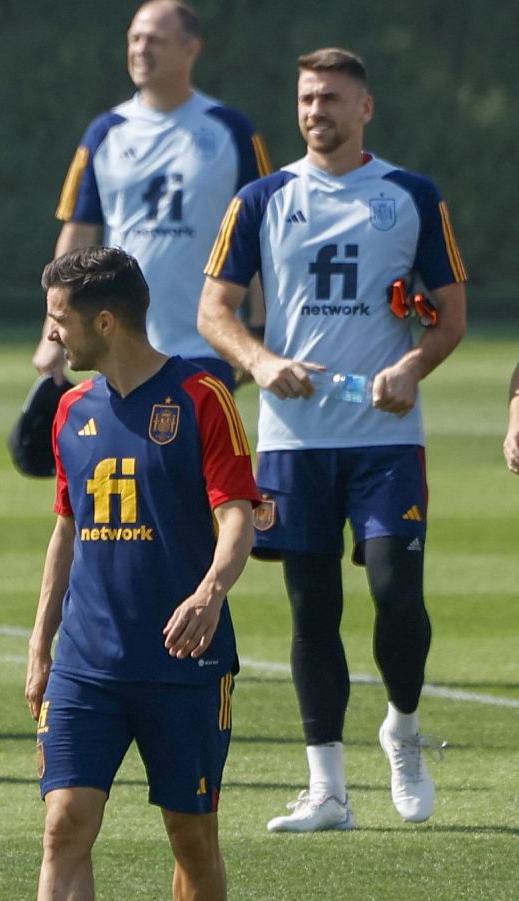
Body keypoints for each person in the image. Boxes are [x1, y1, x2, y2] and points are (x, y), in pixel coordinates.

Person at [198, 47, 468, 831]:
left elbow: (450, 316)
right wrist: (262, 359)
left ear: (366, 109)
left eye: (332, 100)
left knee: (394, 591)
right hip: (293, 439)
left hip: (387, 437)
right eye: (307, 99)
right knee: (311, 608)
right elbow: (214, 310)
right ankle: (328, 791)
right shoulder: (262, 198)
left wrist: (413, 366)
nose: (317, 112)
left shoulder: (411, 195)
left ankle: (403, 729)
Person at [29, 245, 256, 901]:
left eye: (58, 317)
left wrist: (211, 592)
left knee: (191, 836)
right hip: (86, 665)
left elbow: (237, 516)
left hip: (183, 665)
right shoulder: (71, 409)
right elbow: (66, 532)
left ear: (104, 322)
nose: (50, 333)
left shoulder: (201, 398)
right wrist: (40, 646)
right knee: (63, 826)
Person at [34, 0, 271, 390]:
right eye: (135, 39)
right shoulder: (105, 131)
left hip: (206, 344)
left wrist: (260, 328)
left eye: (155, 40)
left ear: (190, 48)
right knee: (119, 455)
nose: (141, 49)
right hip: (117, 343)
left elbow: (262, 236)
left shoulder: (232, 130)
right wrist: (52, 330)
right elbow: (77, 238)